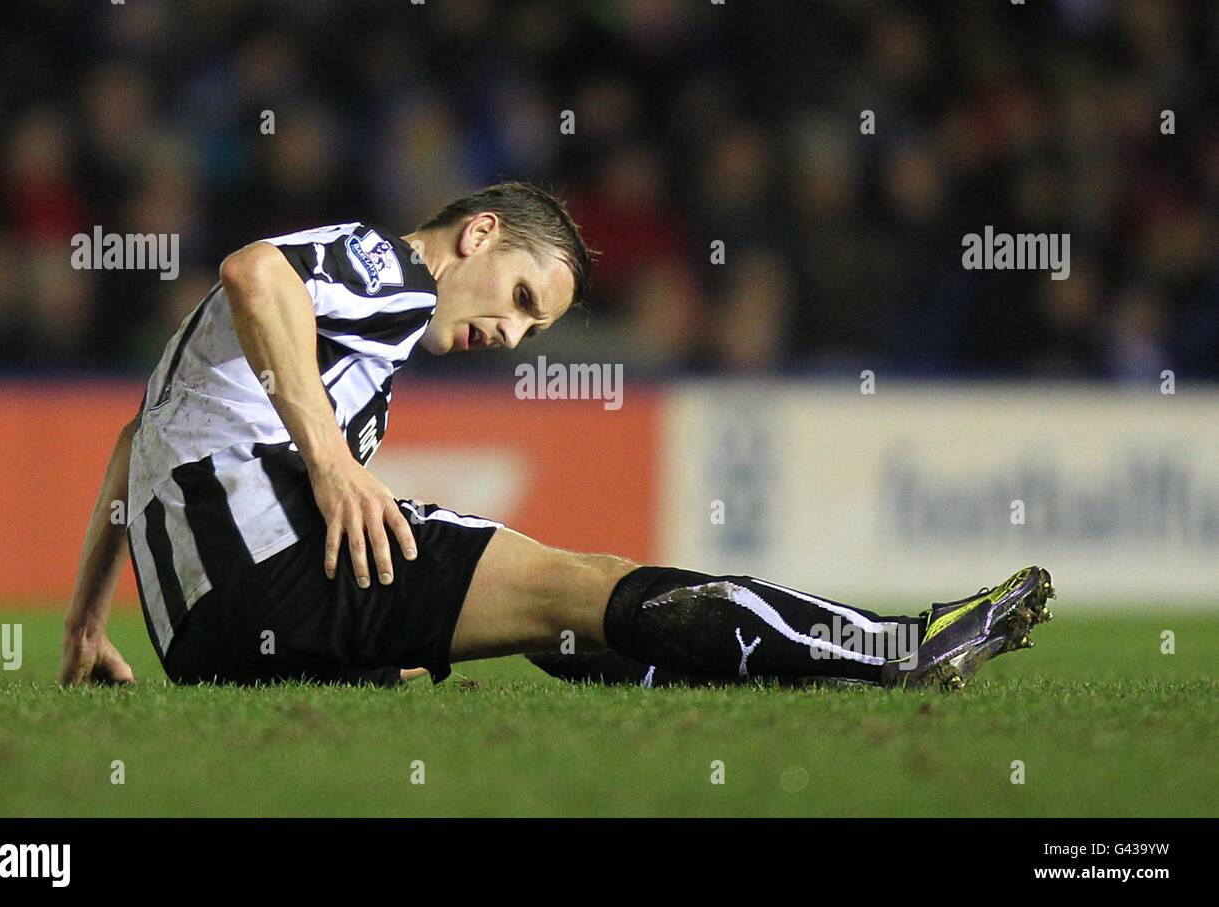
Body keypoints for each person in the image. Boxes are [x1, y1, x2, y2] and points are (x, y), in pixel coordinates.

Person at [60, 182, 1053, 693]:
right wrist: (326, 463)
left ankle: (756, 672)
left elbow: (129, 444)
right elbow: (251, 272)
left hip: (201, 634)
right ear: (480, 235)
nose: (510, 332)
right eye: (523, 299)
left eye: (535, 330)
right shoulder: (385, 268)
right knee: (574, 584)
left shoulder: (357, 347)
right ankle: (893, 645)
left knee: (548, 624)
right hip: (259, 567)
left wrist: (85, 625)